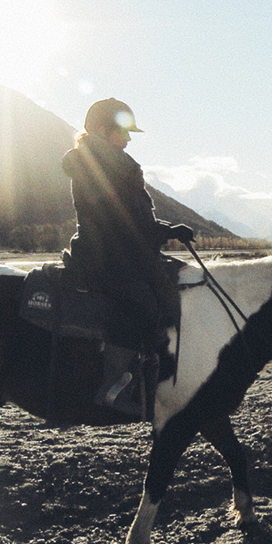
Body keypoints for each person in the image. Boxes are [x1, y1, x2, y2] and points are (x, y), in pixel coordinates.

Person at [61, 98, 195, 416]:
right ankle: (113, 388)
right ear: (102, 131)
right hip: (106, 257)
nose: (128, 139)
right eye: (123, 132)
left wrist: (166, 230)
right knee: (142, 302)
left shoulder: (110, 164)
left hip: (119, 251)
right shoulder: (102, 167)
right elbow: (123, 222)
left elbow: (134, 218)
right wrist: (164, 231)